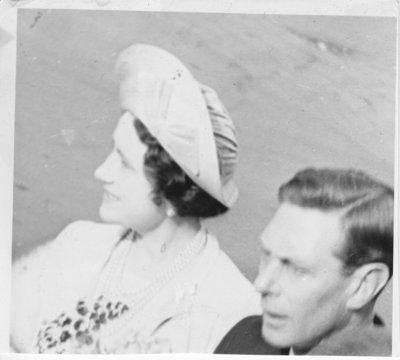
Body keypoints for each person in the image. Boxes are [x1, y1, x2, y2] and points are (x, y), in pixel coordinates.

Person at [11, 44, 260, 354]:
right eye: (112, 151)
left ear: (174, 192)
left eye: (125, 163)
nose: (102, 171)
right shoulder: (77, 246)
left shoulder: (230, 311)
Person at [215, 168, 393, 356]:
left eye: (297, 269)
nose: (261, 283)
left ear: (364, 286)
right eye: (266, 255)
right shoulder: (245, 339)